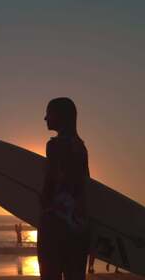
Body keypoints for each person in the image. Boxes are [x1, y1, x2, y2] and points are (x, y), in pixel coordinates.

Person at [38, 97, 90, 280]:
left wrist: (43, 201)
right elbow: (85, 186)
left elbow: (50, 184)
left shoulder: (54, 146)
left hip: (55, 226)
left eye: (49, 113)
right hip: (78, 227)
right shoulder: (81, 147)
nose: (45, 118)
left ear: (61, 116)